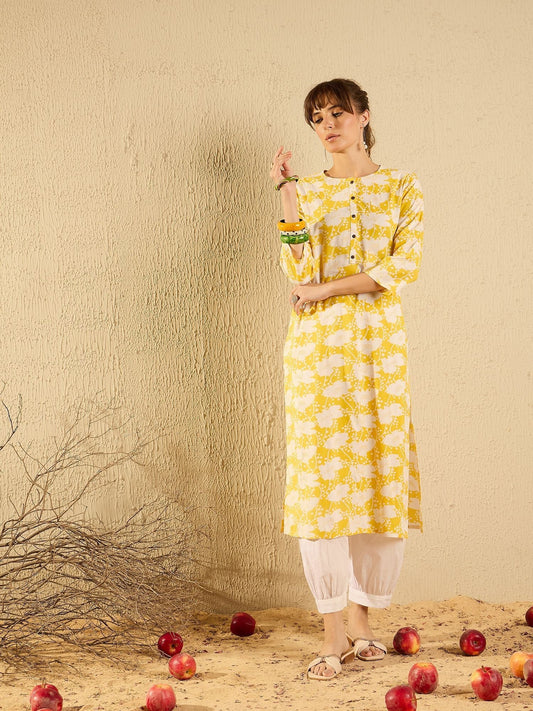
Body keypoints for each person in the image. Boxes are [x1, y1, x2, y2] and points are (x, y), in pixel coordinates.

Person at [270, 78, 424, 680]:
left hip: (381, 350)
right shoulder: (307, 191)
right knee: (323, 484)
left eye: (337, 112)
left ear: (363, 115)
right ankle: (332, 634)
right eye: (317, 118)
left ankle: (362, 622)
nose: (327, 125)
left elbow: (400, 266)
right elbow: (298, 266)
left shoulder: (403, 186)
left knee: (378, 475)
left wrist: (323, 291)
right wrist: (288, 196)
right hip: (319, 354)